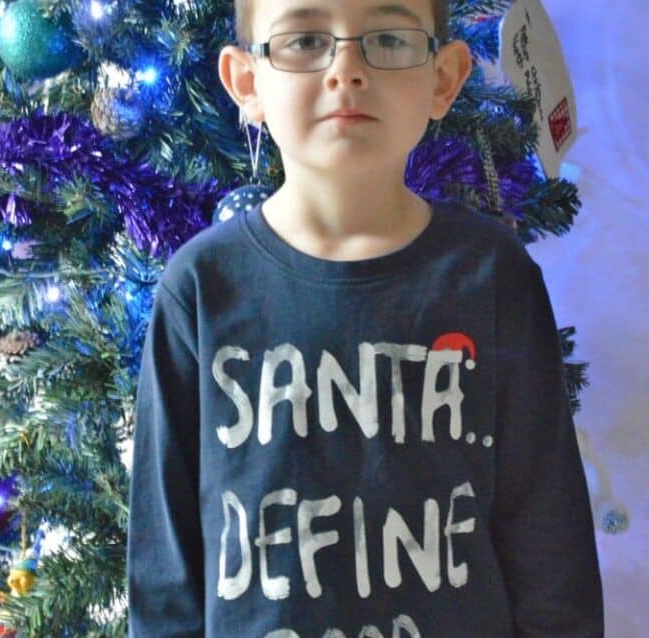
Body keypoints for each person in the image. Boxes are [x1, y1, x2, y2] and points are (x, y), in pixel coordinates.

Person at [127, 0, 605, 636]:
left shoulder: (493, 277)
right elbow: (166, 570)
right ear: (248, 82)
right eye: (303, 40)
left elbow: (550, 542)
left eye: (387, 37)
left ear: (444, 79)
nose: (347, 69)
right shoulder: (200, 290)